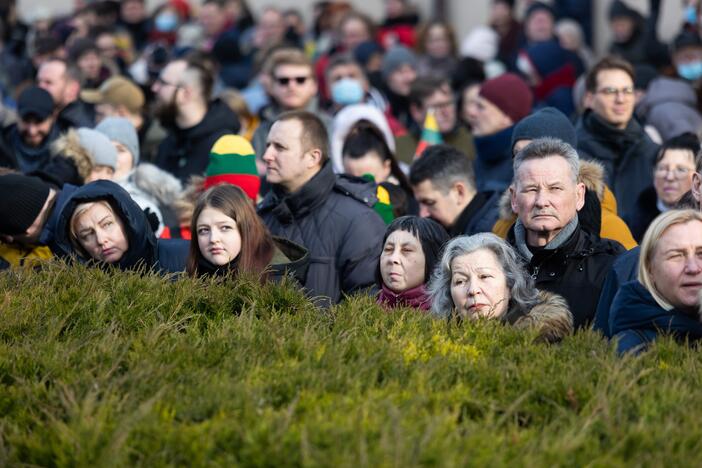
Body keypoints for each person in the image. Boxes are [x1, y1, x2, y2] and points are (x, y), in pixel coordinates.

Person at [258, 110, 386, 306]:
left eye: (280, 147)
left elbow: (364, 310)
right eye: (268, 146)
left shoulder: (359, 221)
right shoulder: (261, 216)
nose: (267, 155)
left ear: (313, 157)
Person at [508, 137, 624, 329]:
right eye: (531, 189)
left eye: (555, 188)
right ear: (514, 198)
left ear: (579, 196)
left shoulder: (610, 265)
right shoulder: (492, 266)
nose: (542, 201)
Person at [493, 106, 638, 251]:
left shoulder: (608, 228)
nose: (527, 161)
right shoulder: (504, 226)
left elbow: (631, 270)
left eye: (538, 152)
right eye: (519, 154)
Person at [428, 233, 573, 343]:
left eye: (484, 277)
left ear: (510, 285)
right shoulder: (435, 341)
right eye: (460, 281)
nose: (473, 290)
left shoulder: (542, 339)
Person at [576, 56, 659, 224]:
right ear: (589, 99)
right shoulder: (572, 154)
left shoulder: (653, 152)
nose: (621, 99)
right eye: (610, 91)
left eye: (627, 91)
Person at [609, 210, 702, 354]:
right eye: (676, 255)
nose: (693, 268)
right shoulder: (631, 349)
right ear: (649, 268)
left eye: (701, 254)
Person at [53, 179, 188, 273]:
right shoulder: (81, 287)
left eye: (107, 224)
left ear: (126, 220)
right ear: (79, 246)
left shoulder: (184, 255)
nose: (100, 240)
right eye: (87, 235)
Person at [187, 184, 308, 283]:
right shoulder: (189, 282)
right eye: (204, 230)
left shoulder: (279, 282)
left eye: (225, 227)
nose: (213, 238)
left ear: (245, 229)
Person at [153, 54, 241, 182]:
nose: (154, 88)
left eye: (163, 83)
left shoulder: (224, 147)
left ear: (185, 94)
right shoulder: (168, 142)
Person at [252, 47, 331, 164]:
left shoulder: (331, 125)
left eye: (300, 80)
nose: (291, 86)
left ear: (314, 86)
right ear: (272, 86)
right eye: (283, 81)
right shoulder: (261, 130)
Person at [410, 144, 499, 237]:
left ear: (459, 192)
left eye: (429, 202)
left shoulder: (496, 234)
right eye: (419, 204)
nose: (422, 214)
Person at [465, 73, 532, 193]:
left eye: (481, 107)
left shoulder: (522, 167)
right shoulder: (482, 155)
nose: (471, 112)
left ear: (507, 116)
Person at [630, 133, 700, 241]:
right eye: (662, 168)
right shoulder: (630, 223)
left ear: (697, 181)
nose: (670, 177)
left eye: (681, 169)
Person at [395, 77, 476, 165]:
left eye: (449, 103)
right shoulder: (400, 147)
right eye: (437, 106)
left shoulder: (472, 141)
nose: (446, 112)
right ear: (416, 112)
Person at [377, 216, 448, 311]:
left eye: (406, 250)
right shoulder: (362, 310)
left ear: (432, 258)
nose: (393, 259)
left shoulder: (448, 316)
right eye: (388, 249)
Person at [0, 86, 60, 173]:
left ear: (53, 118)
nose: (32, 131)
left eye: (39, 122)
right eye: (26, 121)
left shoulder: (65, 154)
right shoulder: (3, 144)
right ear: (17, 116)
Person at [36, 58, 94, 131]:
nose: (40, 87)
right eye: (38, 81)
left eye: (48, 82)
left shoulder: (79, 131)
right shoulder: (35, 119)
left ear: (73, 89)